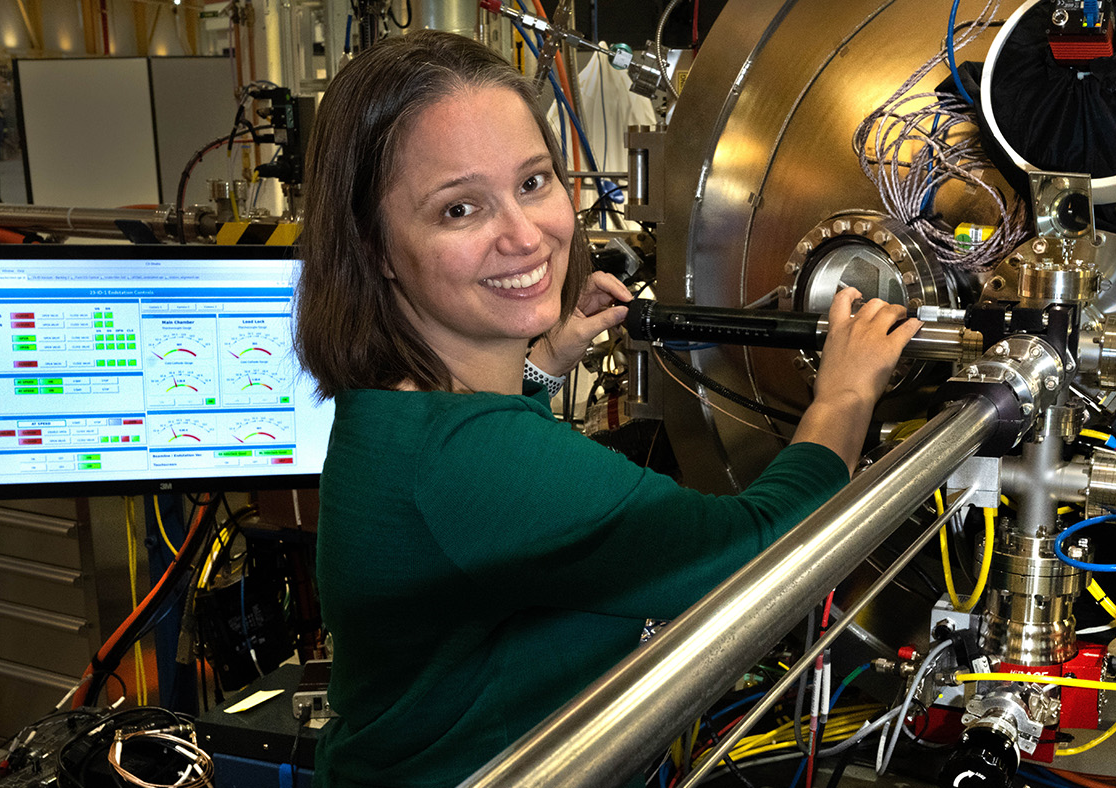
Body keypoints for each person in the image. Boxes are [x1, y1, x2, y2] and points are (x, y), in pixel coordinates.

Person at [295, 30, 921, 788]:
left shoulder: (397, 408)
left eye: (534, 182)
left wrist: (540, 362)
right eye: (460, 209)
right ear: (376, 247)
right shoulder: (469, 460)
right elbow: (758, 562)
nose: (525, 236)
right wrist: (847, 394)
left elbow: (471, 510)